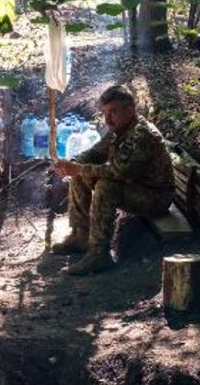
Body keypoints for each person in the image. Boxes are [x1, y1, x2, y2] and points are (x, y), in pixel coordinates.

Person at [50, 85, 174, 275]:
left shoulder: (142, 135)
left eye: (113, 112)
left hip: (155, 197)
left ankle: (99, 254)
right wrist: (73, 163)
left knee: (105, 186)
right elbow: (95, 153)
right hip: (135, 188)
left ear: (130, 111)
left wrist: (79, 168)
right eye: (105, 113)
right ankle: (81, 235)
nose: (107, 120)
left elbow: (117, 172)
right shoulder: (120, 129)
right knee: (81, 174)